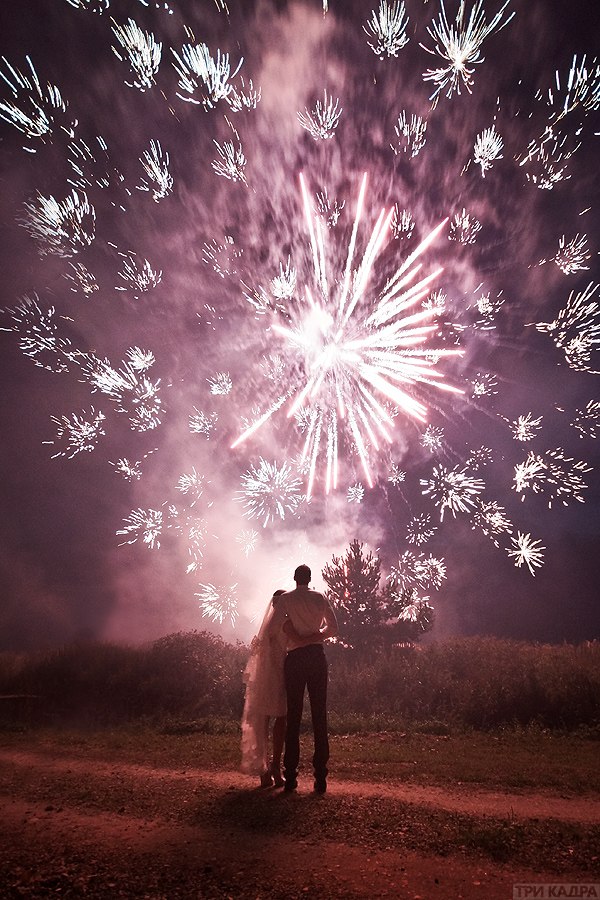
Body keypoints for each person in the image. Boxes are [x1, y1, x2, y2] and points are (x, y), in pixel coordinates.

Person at [268, 564, 339, 794]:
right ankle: (320, 778)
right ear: (310, 579)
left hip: (295, 659)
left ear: (294, 578)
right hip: (317, 658)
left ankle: (290, 777)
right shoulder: (320, 598)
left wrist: (294, 635)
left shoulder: (287, 599)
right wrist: (315, 637)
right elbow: (334, 628)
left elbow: (273, 627)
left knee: (294, 717)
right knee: (320, 716)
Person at [240, 590, 287, 787]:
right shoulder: (282, 624)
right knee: (278, 719)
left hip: (269, 676)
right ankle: (272, 766)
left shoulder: (268, 626)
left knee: (266, 722)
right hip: (277, 675)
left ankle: (267, 769)